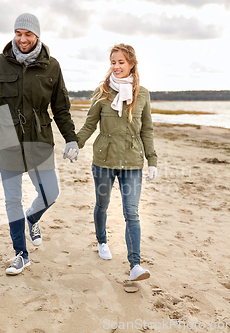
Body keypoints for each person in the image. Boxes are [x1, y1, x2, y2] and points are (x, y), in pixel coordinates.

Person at [0, 13, 79, 275]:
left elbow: (61, 108)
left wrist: (71, 139)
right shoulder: (0, 62)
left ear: (37, 36)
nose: (22, 39)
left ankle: (32, 218)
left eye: (28, 34)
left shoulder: (51, 66)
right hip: (7, 137)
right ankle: (20, 254)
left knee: (50, 193)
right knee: (12, 200)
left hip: (39, 138)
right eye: (18, 33)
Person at [75, 43, 157, 281]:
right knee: (102, 204)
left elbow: (147, 130)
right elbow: (90, 124)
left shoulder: (142, 94)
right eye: (113, 62)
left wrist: (152, 160)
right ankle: (102, 241)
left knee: (131, 212)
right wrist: (75, 144)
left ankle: (135, 265)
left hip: (132, 162)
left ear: (131, 64)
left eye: (121, 62)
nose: (116, 66)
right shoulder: (102, 92)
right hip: (104, 161)